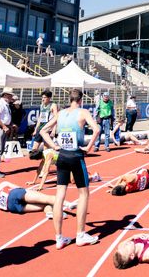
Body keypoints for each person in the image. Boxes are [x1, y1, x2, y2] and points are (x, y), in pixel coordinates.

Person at [40, 88, 100, 249]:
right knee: (84, 193)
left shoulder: (60, 113)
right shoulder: (83, 112)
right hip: (76, 156)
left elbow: (43, 131)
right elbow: (97, 129)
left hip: (62, 156)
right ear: (80, 100)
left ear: (70, 99)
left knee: (59, 195)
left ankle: (59, 238)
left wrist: (54, 146)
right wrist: (89, 147)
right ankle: (80, 234)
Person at [26, 148, 101, 191]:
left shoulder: (48, 155)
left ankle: (94, 177)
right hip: (65, 163)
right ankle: (83, 173)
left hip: (71, 160)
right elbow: (39, 169)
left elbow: (46, 172)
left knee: (73, 181)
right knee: (71, 180)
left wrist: (40, 186)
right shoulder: (43, 155)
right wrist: (33, 182)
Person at [0, 180, 68, 217]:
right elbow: (16, 187)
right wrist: (26, 191)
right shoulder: (0, 187)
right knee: (46, 199)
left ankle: (49, 212)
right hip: (14, 194)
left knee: (43, 206)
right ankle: (68, 204)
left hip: (12, 207)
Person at [0, 87, 15, 178]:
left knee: (0, 148)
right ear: (5, 95)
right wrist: (4, 126)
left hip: (2, 127)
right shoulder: (0, 104)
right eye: (9, 95)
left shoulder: (5, 104)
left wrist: (10, 125)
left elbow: (4, 117)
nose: (11, 97)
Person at [30, 90, 58, 156]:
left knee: (46, 149)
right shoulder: (41, 105)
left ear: (49, 98)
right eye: (42, 97)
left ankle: (44, 164)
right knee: (34, 149)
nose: (43, 99)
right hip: (40, 128)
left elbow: (56, 118)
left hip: (48, 129)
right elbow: (40, 118)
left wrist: (54, 131)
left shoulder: (53, 105)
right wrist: (35, 130)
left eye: (45, 97)